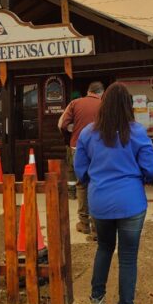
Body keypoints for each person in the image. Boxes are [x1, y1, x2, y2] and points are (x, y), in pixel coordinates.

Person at [74, 82, 153, 304]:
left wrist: (97, 178)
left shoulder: (88, 133)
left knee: (104, 249)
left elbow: (81, 170)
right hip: (131, 202)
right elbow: (151, 167)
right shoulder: (136, 131)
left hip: (100, 202)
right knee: (128, 258)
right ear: (127, 106)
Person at [60, 81, 104, 237]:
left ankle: (84, 223)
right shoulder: (104, 104)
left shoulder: (74, 103)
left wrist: (72, 135)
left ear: (88, 91)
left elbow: (62, 124)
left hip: (77, 147)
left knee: (82, 184)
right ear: (101, 93)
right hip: (100, 148)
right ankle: (97, 228)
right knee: (97, 183)